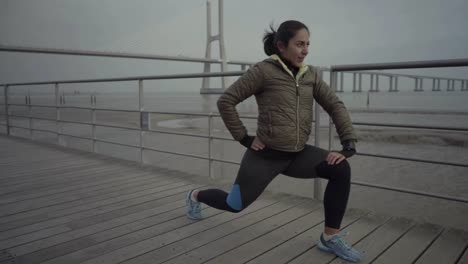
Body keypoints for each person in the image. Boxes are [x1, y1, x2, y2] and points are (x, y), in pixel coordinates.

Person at [185, 20, 362, 263]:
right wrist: (244, 138)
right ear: (281, 45)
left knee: (340, 169)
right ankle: (196, 195)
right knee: (234, 204)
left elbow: (335, 105)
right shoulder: (263, 71)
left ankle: (329, 238)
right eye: (299, 44)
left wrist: (348, 144)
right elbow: (226, 101)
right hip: (265, 157)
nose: (305, 50)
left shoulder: (310, 75)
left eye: (308, 44)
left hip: (297, 155)